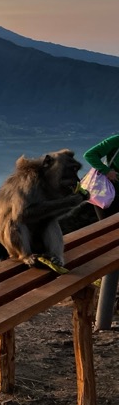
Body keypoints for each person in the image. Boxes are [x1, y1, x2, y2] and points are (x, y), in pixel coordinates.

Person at [84, 135, 119, 329]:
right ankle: (102, 290)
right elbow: (90, 154)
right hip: (106, 197)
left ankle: (110, 300)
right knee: (108, 240)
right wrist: (107, 171)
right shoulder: (117, 140)